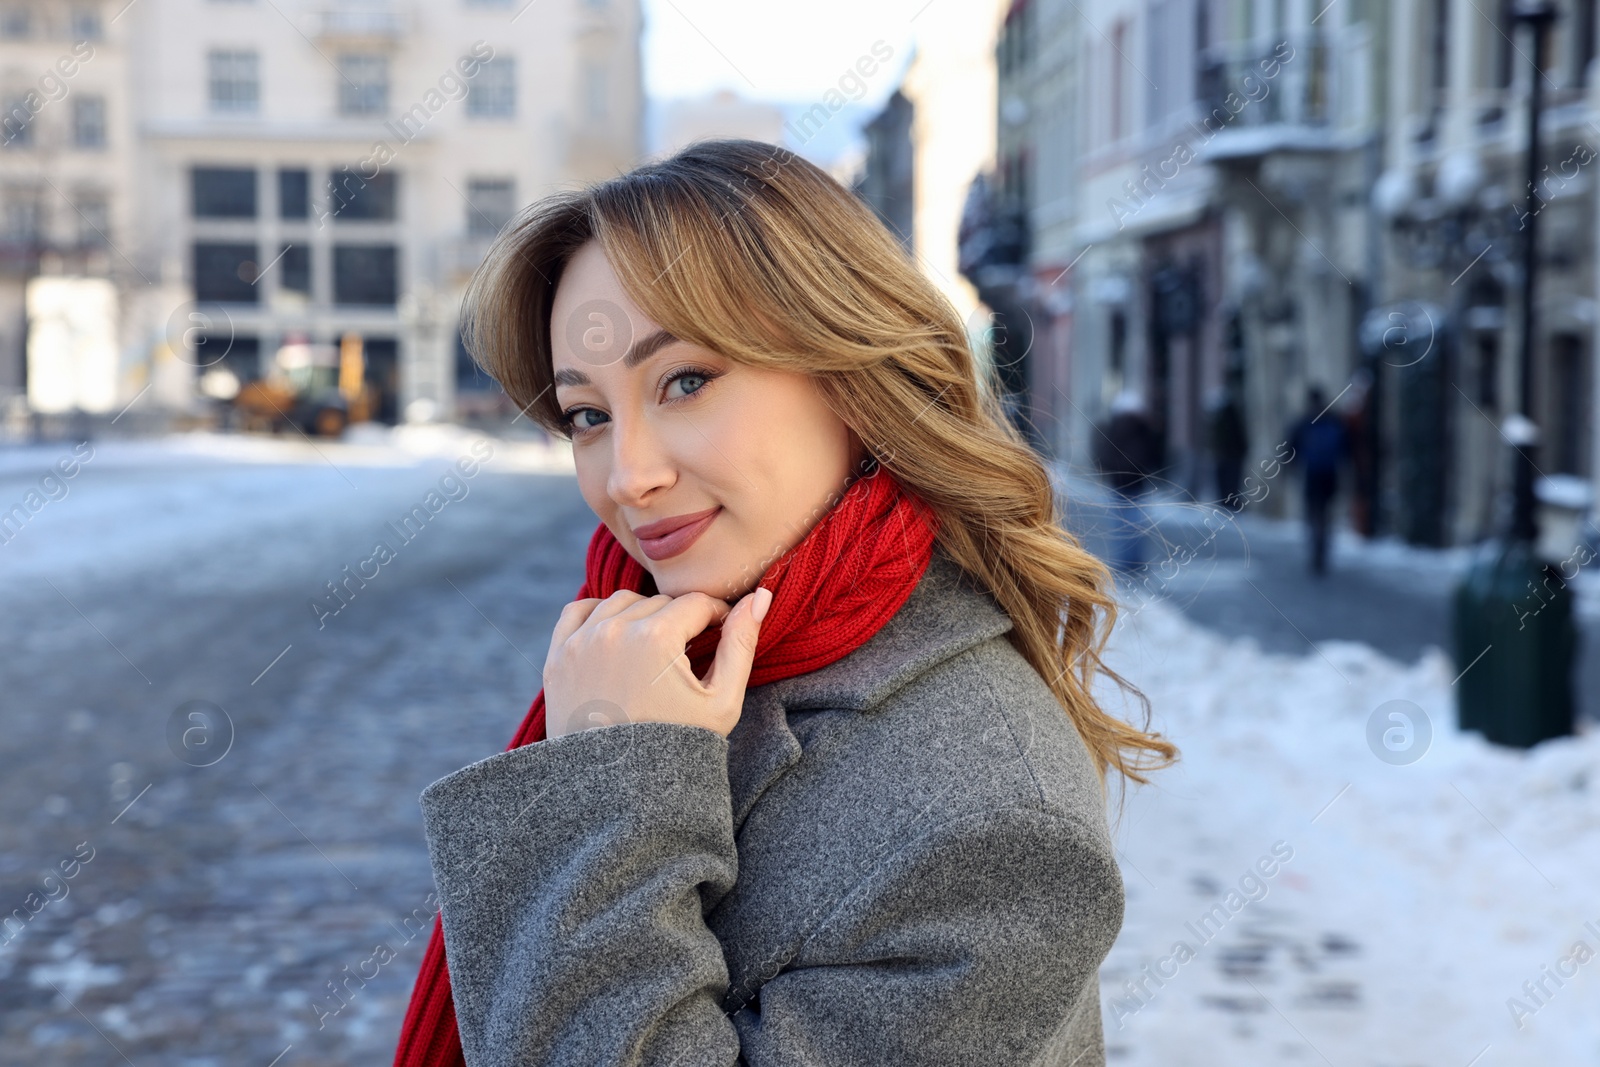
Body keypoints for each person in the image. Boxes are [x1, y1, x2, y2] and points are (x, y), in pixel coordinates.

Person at [391, 140, 1177, 1067]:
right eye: (588, 416)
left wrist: (612, 780)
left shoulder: (988, 820)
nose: (630, 476)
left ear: (848, 373)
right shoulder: (668, 643)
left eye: (686, 381)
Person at [1093, 391, 1162, 574]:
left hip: (1120, 484)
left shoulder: (1115, 428)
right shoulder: (1143, 428)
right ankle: (1134, 563)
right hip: (1137, 484)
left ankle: (1125, 563)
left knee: (1122, 527)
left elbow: (1104, 455)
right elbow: (1154, 455)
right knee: (1135, 526)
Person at [1287, 384, 1352, 576]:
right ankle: (1322, 546)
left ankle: (1317, 546)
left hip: (1312, 473)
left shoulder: (1305, 421)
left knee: (1313, 511)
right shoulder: (1335, 421)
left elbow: (1292, 448)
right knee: (1325, 512)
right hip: (1330, 473)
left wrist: (1290, 468)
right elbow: (1346, 449)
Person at [1205, 385, 1249, 510]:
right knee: (1231, 484)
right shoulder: (1228, 419)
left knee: (1227, 484)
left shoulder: (1224, 420)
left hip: (1227, 458)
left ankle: (1228, 505)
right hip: (1230, 458)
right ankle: (1230, 505)